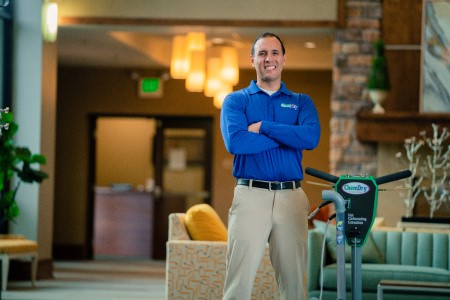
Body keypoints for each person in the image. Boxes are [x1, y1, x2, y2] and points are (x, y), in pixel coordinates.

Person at [220, 32, 321, 300]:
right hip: (250, 195)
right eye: (262, 53)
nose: (269, 59)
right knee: (238, 283)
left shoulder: (302, 101)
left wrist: (265, 127)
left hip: (291, 197)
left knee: (295, 284)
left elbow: (310, 138)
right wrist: (289, 136)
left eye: (274, 53)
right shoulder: (236, 100)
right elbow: (237, 143)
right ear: (252, 59)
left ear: (284, 59)